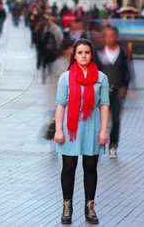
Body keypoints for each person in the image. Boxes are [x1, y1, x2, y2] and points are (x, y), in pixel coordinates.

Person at [54, 39, 110, 225]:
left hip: (92, 127)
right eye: (80, 53)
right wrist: (58, 130)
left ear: (92, 55)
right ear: (74, 55)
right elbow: (61, 105)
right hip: (71, 128)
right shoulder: (65, 77)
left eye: (87, 52)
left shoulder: (101, 78)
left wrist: (104, 130)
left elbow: (104, 105)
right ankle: (67, 206)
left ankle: (89, 207)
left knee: (90, 168)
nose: (83, 56)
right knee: (68, 167)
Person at [95, 26, 133, 159]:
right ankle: (98, 146)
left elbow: (128, 71)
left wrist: (125, 87)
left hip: (117, 91)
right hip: (102, 92)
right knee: (99, 120)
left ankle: (113, 146)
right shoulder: (98, 52)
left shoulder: (122, 51)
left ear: (116, 36)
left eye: (111, 35)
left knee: (115, 120)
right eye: (106, 35)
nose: (109, 38)